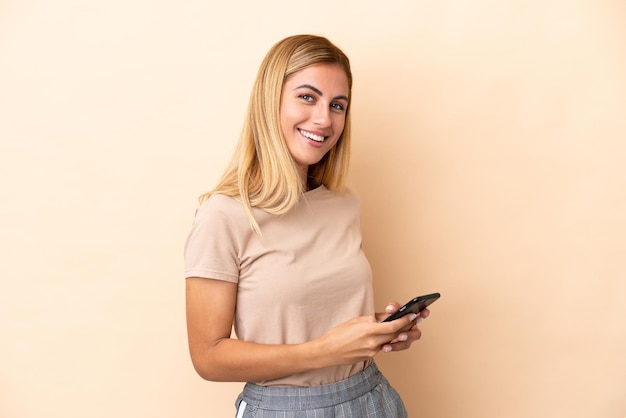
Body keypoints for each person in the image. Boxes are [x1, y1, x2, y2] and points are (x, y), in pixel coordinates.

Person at [184, 34, 430, 417]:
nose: (324, 119)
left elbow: (318, 313)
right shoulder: (224, 215)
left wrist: (375, 332)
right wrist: (328, 350)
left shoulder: (344, 203)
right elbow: (208, 356)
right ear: (271, 101)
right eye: (307, 97)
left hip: (372, 398)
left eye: (337, 105)